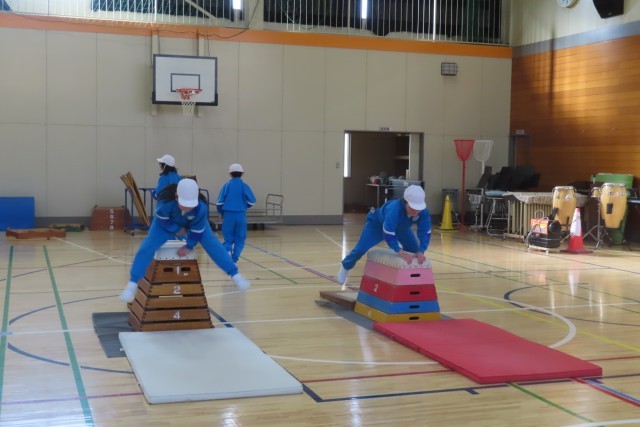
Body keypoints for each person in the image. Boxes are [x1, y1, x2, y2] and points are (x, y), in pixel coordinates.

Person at [119, 178, 249, 302]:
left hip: (193, 225)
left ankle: (235, 275)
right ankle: (132, 284)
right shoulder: (166, 202)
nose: (188, 208)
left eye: (191, 204)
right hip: (165, 224)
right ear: (176, 197)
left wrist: (189, 246)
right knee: (148, 246)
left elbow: (198, 230)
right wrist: (177, 229)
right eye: (184, 204)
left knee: (212, 244)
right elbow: (162, 219)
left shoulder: (201, 208)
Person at [337, 185, 432, 285]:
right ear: (405, 202)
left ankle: (409, 279)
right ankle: (345, 266)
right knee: (360, 249)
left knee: (414, 251)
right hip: (377, 225)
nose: (416, 211)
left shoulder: (423, 212)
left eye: (418, 208)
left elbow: (426, 232)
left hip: (402, 228)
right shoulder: (394, 209)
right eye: (413, 208)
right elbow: (388, 233)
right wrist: (398, 250)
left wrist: (422, 250)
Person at [215, 163, 256, 263]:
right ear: (242, 174)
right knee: (240, 239)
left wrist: (220, 213)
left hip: (228, 215)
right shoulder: (244, 186)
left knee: (228, 239)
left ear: (230, 174)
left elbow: (219, 202)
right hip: (241, 215)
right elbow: (252, 201)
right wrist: (244, 206)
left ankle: (228, 252)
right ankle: (234, 259)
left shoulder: (226, 186)